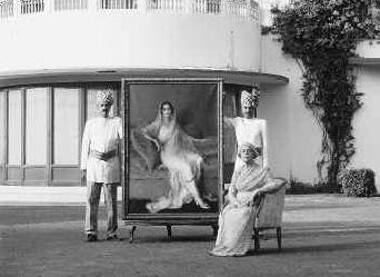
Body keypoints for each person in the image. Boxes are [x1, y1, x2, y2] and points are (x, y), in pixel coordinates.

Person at [209, 142, 286, 257]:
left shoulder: (262, 170)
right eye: (243, 151)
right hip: (236, 203)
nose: (245, 154)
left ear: (253, 154)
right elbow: (232, 189)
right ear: (240, 155)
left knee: (242, 214)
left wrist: (258, 191)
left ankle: (235, 247)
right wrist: (234, 200)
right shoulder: (239, 170)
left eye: (248, 151)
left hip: (252, 204)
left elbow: (275, 183)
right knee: (226, 213)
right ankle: (226, 246)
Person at [142, 101, 210, 213]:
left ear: (172, 111)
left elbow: (187, 139)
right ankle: (198, 199)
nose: (166, 111)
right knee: (186, 167)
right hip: (167, 155)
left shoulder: (175, 125)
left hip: (179, 152)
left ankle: (189, 193)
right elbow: (144, 131)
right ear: (161, 112)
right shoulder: (157, 124)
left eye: (168, 109)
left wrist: (198, 147)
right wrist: (155, 141)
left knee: (199, 159)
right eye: (164, 109)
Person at [81, 90, 122, 242]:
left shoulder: (117, 121)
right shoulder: (91, 123)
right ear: (98, 106)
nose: (104, 108)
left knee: (111, 201)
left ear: (110, 106)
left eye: (107, 105)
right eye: (101, 105)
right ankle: (91, 231)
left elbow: (123, 137)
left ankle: (111, 232)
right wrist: (83, 167)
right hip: (94, 165)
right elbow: (85, 145)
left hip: (111, 164)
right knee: (92, 199)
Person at [224, 87, 268, 172]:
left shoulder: (261, 123)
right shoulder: (238, 122)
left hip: (256, 165)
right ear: (242, 107)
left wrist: (266, 167)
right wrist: (222, 100)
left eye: (250, 108)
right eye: (245, 107)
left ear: (254, 108)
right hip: (241, 165)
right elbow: (221, 119)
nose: (248, 110)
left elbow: (265, 147)